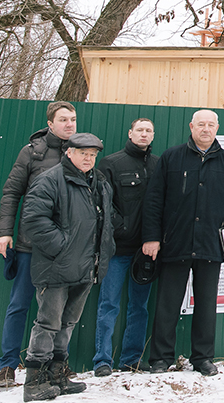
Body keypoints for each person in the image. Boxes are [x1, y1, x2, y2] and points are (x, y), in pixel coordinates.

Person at [141, 109, 224, 377]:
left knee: (206, 305)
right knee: (167, 304)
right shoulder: (172, 157)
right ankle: (160, 358)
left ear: (217, 128)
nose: (206, 129)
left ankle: (202, 358)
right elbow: (154, 200)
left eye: (211, 125)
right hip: (175, 243)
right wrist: (152, 238)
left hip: (210, 245)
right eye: (201, 124)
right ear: (191, 126)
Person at [19, 133, 114, 402]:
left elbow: (105, 221)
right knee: (48, 323)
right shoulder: (50, 179)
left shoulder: (98, 182)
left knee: (68, 323)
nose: (88, 158)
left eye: (93, 154)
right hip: (57, 267)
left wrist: (104, 250)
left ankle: (57, 375)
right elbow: (34, 220)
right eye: (83, 153)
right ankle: (33, 382)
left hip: (86, 266)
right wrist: (62, 248)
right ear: (69, 153)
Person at [0, 101, 77, 388]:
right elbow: (11, 193)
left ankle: (55, 366)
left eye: (73, 119)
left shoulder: (80, 153)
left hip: (65, 248)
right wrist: (5, 232)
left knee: (60, 311)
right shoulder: (32, 152)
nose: (69, 124)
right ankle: (7, 366)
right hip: (31, 245)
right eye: (63, 119)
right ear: (50, 123)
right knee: (20, 304)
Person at [92, 118, 159, 375]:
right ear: (130, 133)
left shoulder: (158, 164)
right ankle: (102, 360)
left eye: (148, 131)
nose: (144, 134)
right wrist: (121, 228)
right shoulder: (111, 163)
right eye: (139, 130)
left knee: (139, 307)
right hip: (117, 249)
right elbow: (103, 203)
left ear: (152, 136)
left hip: (146, 251)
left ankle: (132, 358)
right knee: (109, 304)